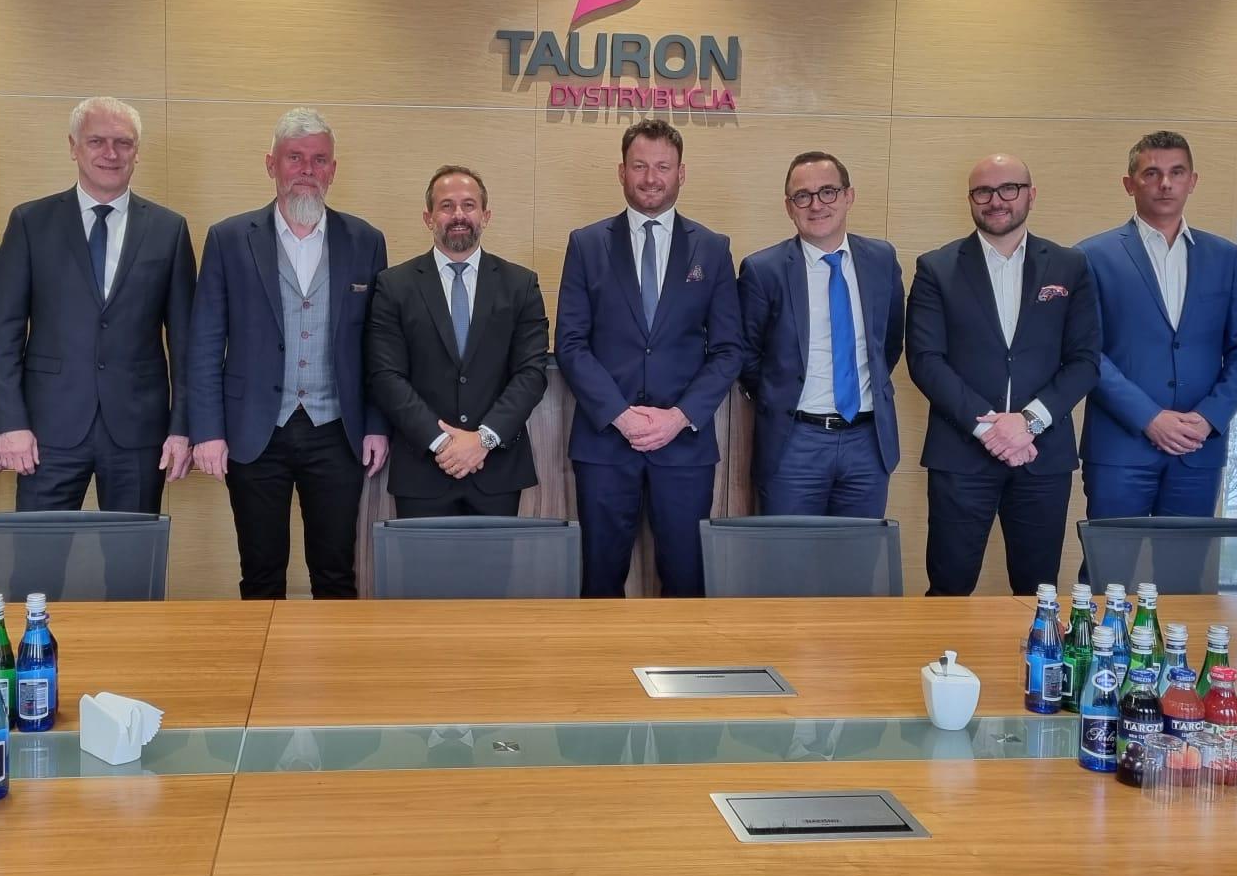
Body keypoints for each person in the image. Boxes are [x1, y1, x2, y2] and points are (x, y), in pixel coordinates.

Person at [188, 107, 389, 599]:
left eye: (319, 160)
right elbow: (205, 342)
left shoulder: (365, 240)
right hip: (254, 432)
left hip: (337, 431)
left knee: (336, 573)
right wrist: (208, 431)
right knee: (260, 574)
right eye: (294, 157)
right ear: (271, 164)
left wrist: (377, 424)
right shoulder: (229, 239)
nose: (306, 170)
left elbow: (379, 344)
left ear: (333, 169)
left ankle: (337, 652)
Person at [555, 118, 742, 597]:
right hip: (605, 443)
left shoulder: (713, 248)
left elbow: (728, 350)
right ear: (622, 172)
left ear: (682, 173)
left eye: (663, 166)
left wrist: (679, 417)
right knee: (600, 580)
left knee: (686, 581)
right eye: (640, 166)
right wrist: (620, 415)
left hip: (684, 446)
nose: (651, 177)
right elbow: (571, 343)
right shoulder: (586, 244)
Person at [0, 96, 195, 514]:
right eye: (96, 141)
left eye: (123, 142)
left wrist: (182, 427)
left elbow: (186, 343)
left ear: (137, 151)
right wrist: (10, 424)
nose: (110, 153)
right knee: (39, 553)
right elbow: (3, 334)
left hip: (139, 431)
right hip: (46, 431)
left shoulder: (169, 229)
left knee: (133, 551)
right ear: (73, 146)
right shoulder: (30, 222)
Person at [906, 154, 1100, 596]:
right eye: (983, 191)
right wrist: (991, 430)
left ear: (1031, 195)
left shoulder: (1070, 266)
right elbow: (926, 360)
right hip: (960, 455)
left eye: (1008, 188)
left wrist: (1027, 424)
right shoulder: (936, 267)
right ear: (970, 199)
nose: (996, 200)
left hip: (1043, 456)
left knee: (1038, 594)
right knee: (948, 590)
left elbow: (1085, 360)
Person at [1078, 131, 1237, 518]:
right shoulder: (1090, 256)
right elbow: (1085, 351)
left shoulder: (1225, 257)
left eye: (1177, 172)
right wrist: (1148, 417)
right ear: (1129, 184)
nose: (1165, 183)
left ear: (1192, 181)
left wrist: (1210, 416)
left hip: (1199, 448)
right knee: (1112, 556)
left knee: (1187, 557)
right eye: (1151, 173)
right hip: (1119, 449)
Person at [366, 166, 549, 518]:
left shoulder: (520, 284)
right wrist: (442, 443)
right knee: (421, 560)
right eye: (446, 206)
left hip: (496, 467)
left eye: (469, 205)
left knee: (495, 559)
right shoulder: (394, 286)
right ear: (428, 218)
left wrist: (483, 439)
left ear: (486, 215)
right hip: (422, 469)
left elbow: (531, 373)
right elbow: (385, 376)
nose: (459, 215)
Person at [738, 151, 904, 517]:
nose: (816, 205)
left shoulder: (881, 259)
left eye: (828, 192)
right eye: (803, 196)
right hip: (794, 442)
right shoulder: (763, 270)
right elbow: (746, 354)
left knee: (858, 550)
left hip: (867, 441)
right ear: (789, 206)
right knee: (789, 550)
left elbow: (889, 342)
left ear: (848, 196)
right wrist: (778, 395)